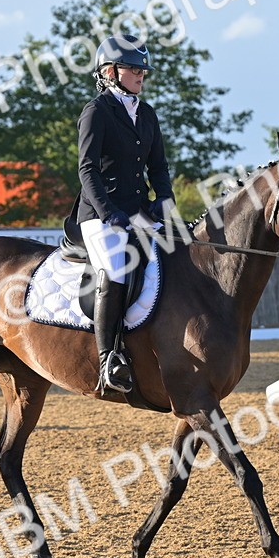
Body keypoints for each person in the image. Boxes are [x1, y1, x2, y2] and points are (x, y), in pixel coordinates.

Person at [76, 34, 174, 396]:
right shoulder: (96, 112)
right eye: (133, 69)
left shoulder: (146, 114)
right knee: (116, 268)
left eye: (143, 70)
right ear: (110, 72)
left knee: (177, 251)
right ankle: (108, 360)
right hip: (100, 213)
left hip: (138, 211)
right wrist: (108, 212)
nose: (141, 75)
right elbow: (87, 170)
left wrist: (165, 199)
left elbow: (158, 167)